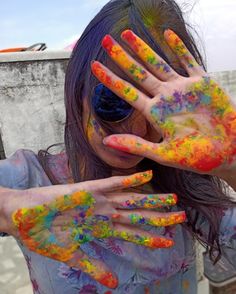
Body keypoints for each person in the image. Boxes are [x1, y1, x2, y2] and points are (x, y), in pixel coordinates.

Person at [0, 0, 235, 293]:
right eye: (114, 100)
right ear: (79, 90)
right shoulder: (30, 179)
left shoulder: (184, 191)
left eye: (157, 111)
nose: (136, 132)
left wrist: (232, 166)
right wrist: (7, 209)